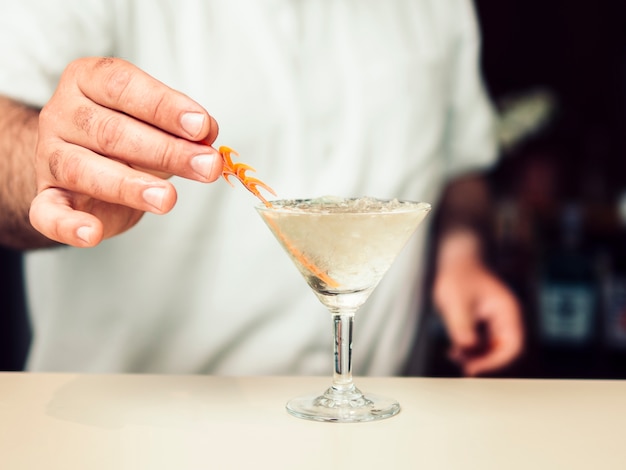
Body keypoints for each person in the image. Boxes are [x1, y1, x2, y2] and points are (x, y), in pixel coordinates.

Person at [0, 0, 522, 377]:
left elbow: (460, 168)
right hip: (136, 439)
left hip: (377, 437)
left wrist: (462, 258)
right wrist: (51, 166)